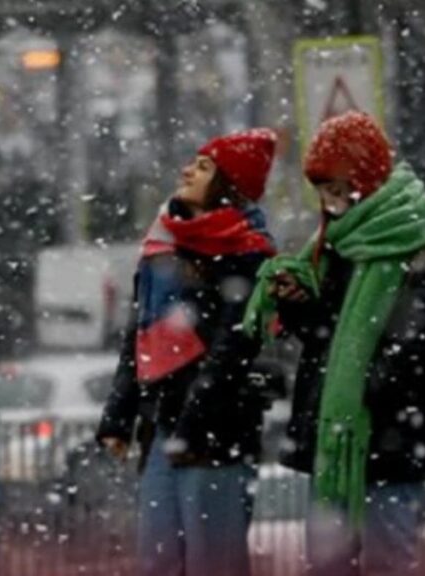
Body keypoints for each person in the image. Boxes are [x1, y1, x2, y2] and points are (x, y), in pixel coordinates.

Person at [244, 111, 425, 576]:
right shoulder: (335, 242)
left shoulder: (417, 239)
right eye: (323, 190)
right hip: (337, 433)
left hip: (389, 433)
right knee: (328, 561)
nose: (331, 202)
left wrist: (368, 383)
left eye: (340, 189)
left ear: (367, 179)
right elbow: (326, 333)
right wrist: (297, 304)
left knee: (387, 558)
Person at [96, 128, 278, 576]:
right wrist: (119, 415)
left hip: (216, 432)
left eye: (203, 167)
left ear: (228, 184)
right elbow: (138, 335)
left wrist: (193, 422)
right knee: (157, 559)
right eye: (193, 162)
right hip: (163, 426)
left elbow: (234, 346)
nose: (187, 171)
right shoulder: (162, 244)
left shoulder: (248, 254)